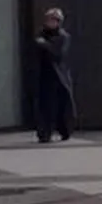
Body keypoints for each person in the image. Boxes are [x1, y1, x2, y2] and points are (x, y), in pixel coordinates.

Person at [31, 9, 75, 143]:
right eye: (50, 20)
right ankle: (44, 133)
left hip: (59, 75)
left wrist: (45, 45)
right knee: (45, 105)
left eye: (54, 20)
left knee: (62, 104)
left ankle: (65, 130)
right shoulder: (41, 34)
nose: (51, 23)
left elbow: (58, 54)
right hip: (45, 75)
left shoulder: (63, 36)